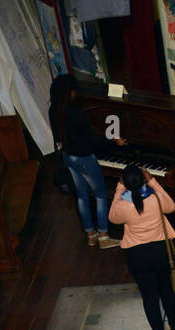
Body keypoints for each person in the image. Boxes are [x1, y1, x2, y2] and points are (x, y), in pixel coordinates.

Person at [108, 163, 175, 330]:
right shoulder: (155, 199)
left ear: (125, 183)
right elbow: (171, 207)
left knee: (150, 298)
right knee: (166, 288)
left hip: (137, 257)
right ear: (144, 180)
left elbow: (112, 218)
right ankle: (174, 323)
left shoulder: (123, 206)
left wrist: (119, 188)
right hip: (160, 252)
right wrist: (153, 181)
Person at [49, 73, 127, 248]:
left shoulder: (53, 110)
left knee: (82, 196)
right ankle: (104, 237)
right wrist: (115, 142)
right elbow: (93, 140)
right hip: (85, 158)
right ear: (70, 92)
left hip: (69, 157)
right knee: (100, 196)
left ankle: (91, 234)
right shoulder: (75, 113)